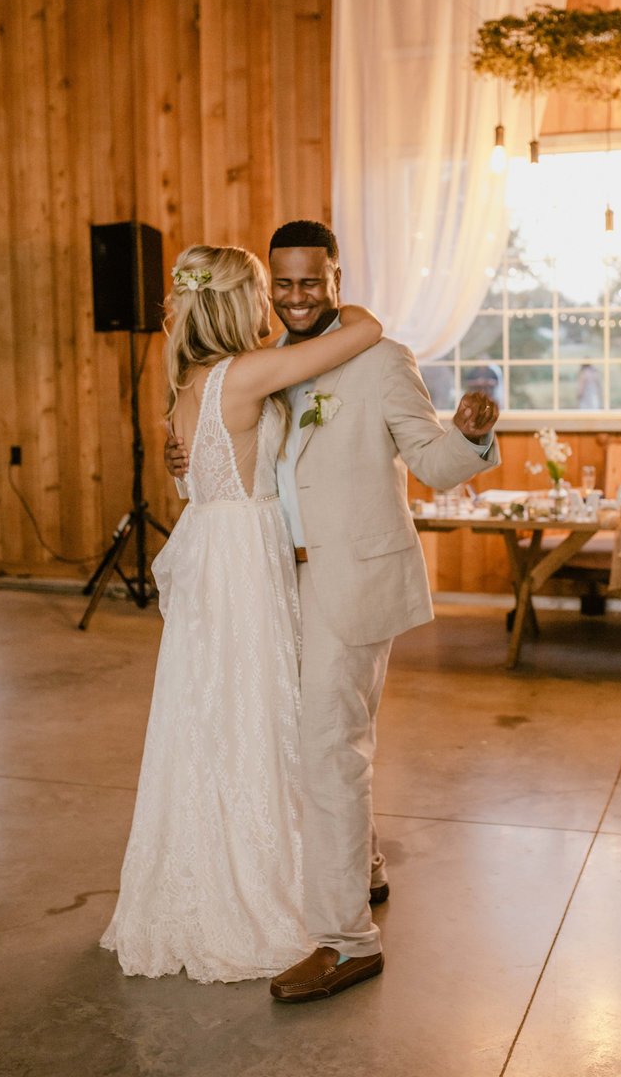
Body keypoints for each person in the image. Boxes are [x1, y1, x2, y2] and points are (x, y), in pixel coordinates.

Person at [166, 220, 500, 1003]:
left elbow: (430, 461)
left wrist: (472, 436)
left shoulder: (381, 360)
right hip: (271, 585)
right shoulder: (266, 367)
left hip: (350, 580)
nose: (295, 296)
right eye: (281, 284)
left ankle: (348, 942)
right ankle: (366, 864)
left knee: (328, 745)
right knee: (309, 741)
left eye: (310, 282)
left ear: (336, 278)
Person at [101, 244, 382, 983]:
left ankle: (199, 872)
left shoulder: (188, 380)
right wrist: (340, 299)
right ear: (240, 304)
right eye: (263, 293)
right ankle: (269, 886)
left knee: (207, 712)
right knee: (260, 707)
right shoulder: (247, 372)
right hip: (245, 555)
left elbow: (201, 466)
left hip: (212, 546)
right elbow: (364, 332)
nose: (271, 308)